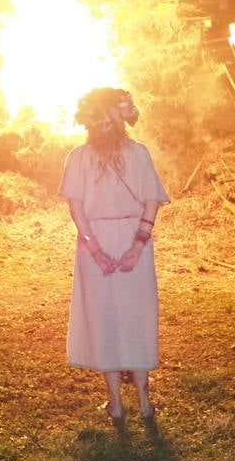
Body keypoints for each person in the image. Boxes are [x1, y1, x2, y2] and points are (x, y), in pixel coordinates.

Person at [60, 87, 168, 423]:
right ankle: (144, 402)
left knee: (105, 319)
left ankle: (117, 403)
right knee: (136, 316)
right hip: (132, 237)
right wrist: (137, 244)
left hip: (99, 239)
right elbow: (152, 201)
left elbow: (76, 209)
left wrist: (94, 248)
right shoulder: (138, 152)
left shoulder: (79, 156)